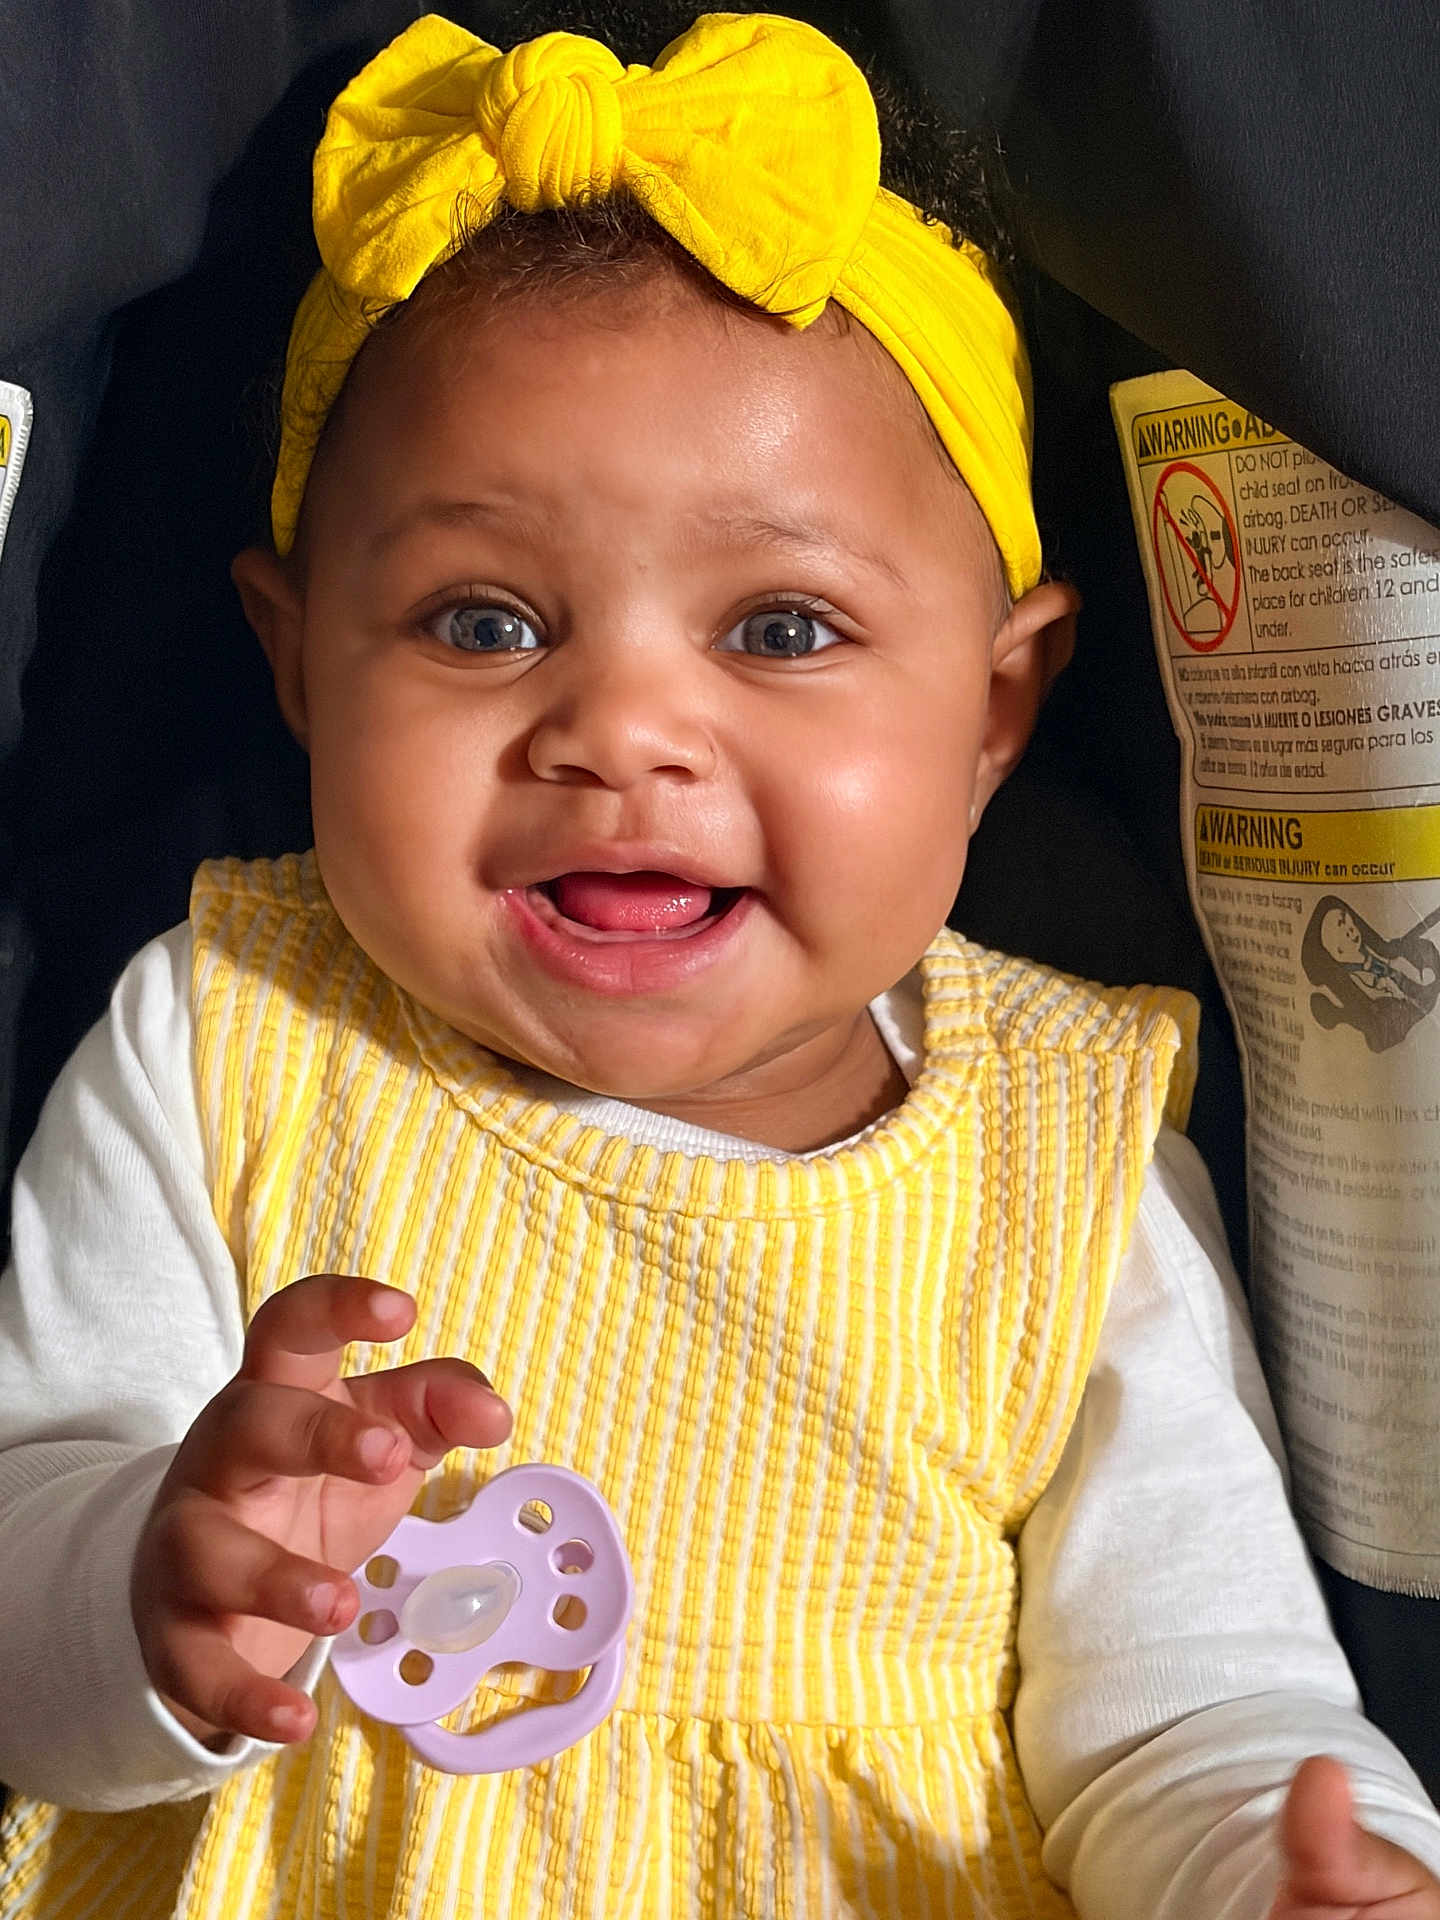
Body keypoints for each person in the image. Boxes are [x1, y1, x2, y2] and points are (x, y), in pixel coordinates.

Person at [2, 9, 1439, 1916]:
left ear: (997, 706)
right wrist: (148, 1575)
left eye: (777, 628)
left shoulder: (1064, 1170)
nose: (623, 732)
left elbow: (1198, 1710)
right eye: (485, 619)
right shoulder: (225, 1035)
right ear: (296, 667)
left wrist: (1295, 1872)